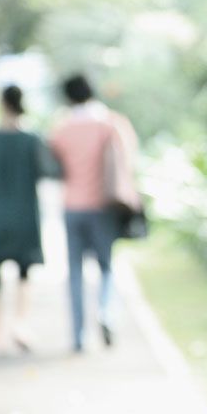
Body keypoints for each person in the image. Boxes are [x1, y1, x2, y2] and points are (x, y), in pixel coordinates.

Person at [49, 73, 141, 353]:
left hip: (72, 207)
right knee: (106, 266)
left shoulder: (61, 129)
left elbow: (54, 166)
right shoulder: (111, 124)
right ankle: (105, 312)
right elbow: (129, 159)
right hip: (103, 206)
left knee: (75, 271)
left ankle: (78, 337)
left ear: (68, 97)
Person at [0, 84, 49, 354]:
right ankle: (20, 325)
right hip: (25, 214)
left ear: (2, 103)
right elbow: (46, 171)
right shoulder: (32, 140)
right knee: (25, 272)